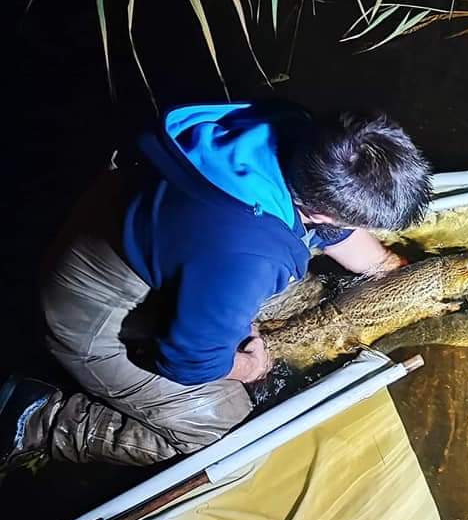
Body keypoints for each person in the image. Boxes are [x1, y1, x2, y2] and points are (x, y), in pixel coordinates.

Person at [0, 102, 431, 469]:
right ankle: (35, 418)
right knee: (223, 424)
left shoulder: (294, 128)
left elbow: (330, 230)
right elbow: (188, 362)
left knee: (289, 287)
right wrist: (250, 366)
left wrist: (388, 267)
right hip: (86, 313)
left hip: (133, 231)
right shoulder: (248, 255)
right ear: (320, 211)